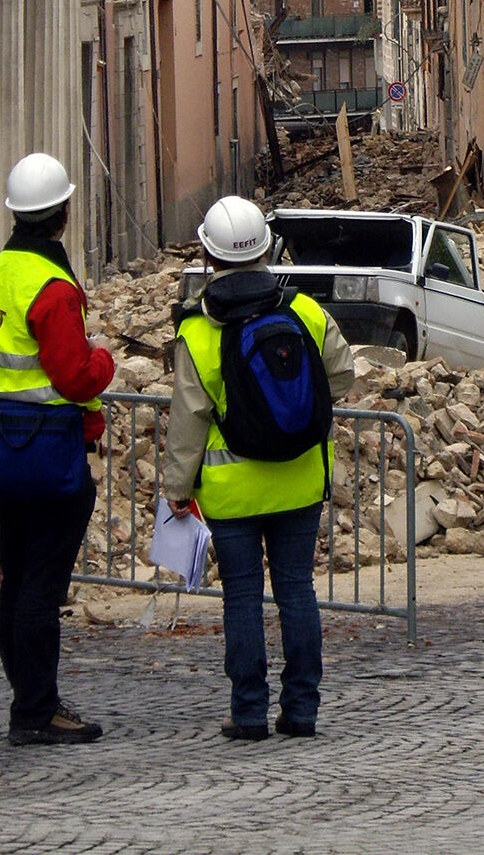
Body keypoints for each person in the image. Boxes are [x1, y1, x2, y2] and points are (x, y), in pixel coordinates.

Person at [163, 194, 355, 741]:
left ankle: (248, 713)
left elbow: (188, 422)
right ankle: (302, 711)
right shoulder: (304, 312)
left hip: (231, 491)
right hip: (298, 479)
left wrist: (178, 488)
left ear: (207, 254)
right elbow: (341, 376)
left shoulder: (198, 333)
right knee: (297, 591)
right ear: (268, 248)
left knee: (242, 596)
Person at [0, 152, 114, 746]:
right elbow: (73, 377)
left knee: (17, 583)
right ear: (63, 214)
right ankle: (37, 711)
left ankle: (28, 701)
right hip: (48, 457)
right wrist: (105, 359)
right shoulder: (51, 287)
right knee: (40, 589)